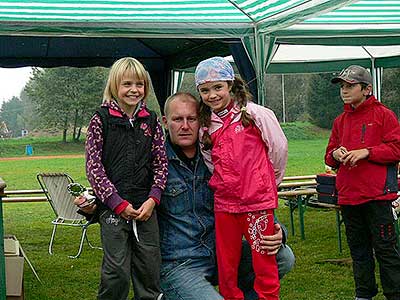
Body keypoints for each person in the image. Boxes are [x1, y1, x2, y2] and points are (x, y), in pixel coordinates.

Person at [158, 92, 294, 300]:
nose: (185, 126)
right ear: (166, 122)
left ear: (202, 121)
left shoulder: (218, 157)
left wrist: (278, 231)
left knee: (283, 257)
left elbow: (251, 197)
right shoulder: (157, 163)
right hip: (181, 263)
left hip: (219, 254)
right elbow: (136, 203)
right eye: (178, 119)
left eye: (191, 119)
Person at [195, 57, 288, 300]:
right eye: (205, 90)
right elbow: (209, 161)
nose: (212, 95)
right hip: (225, 205)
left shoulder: (256, 114)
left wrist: (268, 183)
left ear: (231, 85)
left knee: (264, 261)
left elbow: (278, 149)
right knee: (227, 265)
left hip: (257, 203)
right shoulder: (206, 125)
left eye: (218, 87)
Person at [85, 57, 168, 300]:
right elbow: (94, 167)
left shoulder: (152, 120)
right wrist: (117, 203)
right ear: (114, 86)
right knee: (116, 273)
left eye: (139, 84)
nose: (134, 90)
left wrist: (153, 199)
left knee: (149, 272)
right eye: (127, 84)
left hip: (146, 209)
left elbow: (161, 163)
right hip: (113, 209)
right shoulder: (100, 119)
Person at [325, 65, 400, 300]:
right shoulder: (340, 121)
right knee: (358, 251)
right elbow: (329, 155)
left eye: (350, 86)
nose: (344, 91)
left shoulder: (384, 115)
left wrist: (366, 152)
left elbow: (397, 148)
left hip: (378, 195)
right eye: (342, 87)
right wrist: (336, 154)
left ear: (366, 89)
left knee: (386, 250)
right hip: (349, 195)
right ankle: (363, 294)